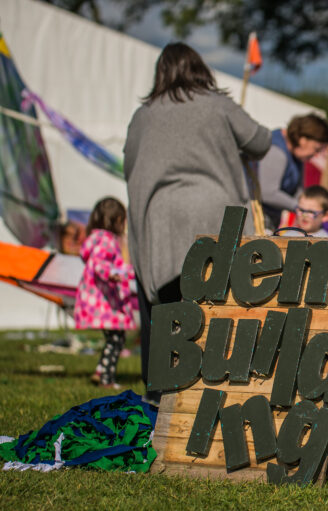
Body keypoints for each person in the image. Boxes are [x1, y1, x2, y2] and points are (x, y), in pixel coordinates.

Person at [123, 42, 272, 402]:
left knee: (164, 310)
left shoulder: (144, 115)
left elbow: (129, 165)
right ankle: (222, 389)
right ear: (201, 69)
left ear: (161, 73)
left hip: (160, 219)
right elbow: (261, 141)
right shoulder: (218, 105)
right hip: (214, 214)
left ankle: (160, 396)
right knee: (220, 306)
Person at [74, 198, 136, 389]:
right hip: (105, 302)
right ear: (116, 220)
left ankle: (101, 370)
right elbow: (99, 263)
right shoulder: (107, 240)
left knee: (114, 338)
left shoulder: (96, 238)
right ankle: (106, 379)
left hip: (98, 299)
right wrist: (111, 274)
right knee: (116, 338)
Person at [257, 114, 328, 231]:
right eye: (316, 149)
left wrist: (316, 204)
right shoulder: (277, 151)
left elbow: (298, 193)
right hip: (255, 219)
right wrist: (302, 208)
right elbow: (267, 192)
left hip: (269, 221)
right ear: (303, 140)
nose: (316, 155)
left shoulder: (297, 157)